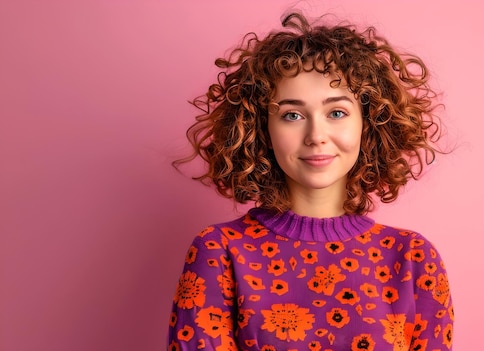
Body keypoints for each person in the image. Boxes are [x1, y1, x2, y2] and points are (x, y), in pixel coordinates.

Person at [168, 11, 453, 351]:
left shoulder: (412, 259)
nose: (316, 135)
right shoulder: (219, 251)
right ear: (262, 129)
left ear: (369, 122)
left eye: (336, 113)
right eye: (292, 115)